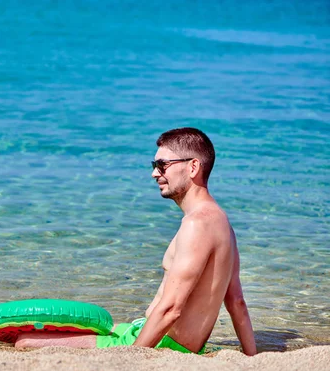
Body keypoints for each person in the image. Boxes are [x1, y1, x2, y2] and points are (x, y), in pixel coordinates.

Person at [15, 128, 257, 355]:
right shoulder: (221, 221)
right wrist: (251, 356)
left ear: (193, 166)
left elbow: (171, 309)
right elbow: (236, 302)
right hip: (156, 334)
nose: (154, 173)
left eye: (162, 165)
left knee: (25, 341)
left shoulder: (197, 224)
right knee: (60, 329)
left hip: (163, 342)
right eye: (154, 165)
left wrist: (132, 356)